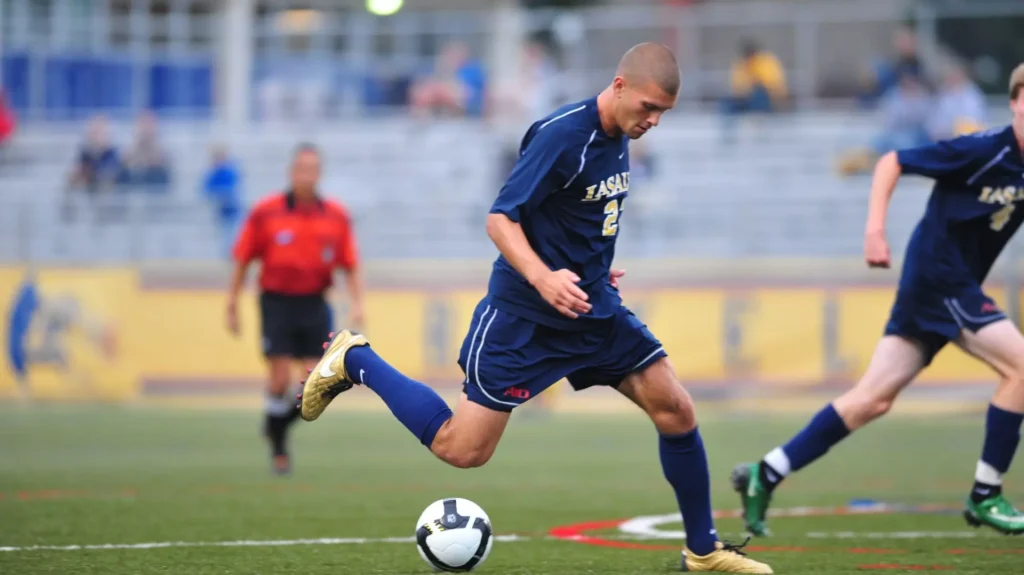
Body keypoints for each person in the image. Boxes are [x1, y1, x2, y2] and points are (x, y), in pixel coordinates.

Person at [297, 43, 772, 574]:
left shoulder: (621, 133)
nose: (654, 121)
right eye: (649, 107)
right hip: (524, 316)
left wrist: (593, 266)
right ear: (619, 87)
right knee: (463, 450)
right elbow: (500, 219)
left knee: (676, 409)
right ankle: (355, 359)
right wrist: (544, 277)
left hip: (591, 308)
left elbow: (578, 214)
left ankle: (703, 552)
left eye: (663, 112)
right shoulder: (562, 135)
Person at [733, 63, 1024, 537]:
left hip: (940, 286)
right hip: (940, 279)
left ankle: (766, 472)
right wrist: (874, 231)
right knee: (1021, 368)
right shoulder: (982, 149)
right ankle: (986, 493)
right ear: (1013, 103)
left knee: (872, 399)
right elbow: (892, 161)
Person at [227, 143, 365, 475]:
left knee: (316, 384)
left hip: (314, 303)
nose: (307, 176)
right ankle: (279, 447)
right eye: (302, 169)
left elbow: (349, 264)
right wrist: (232, 302)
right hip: (277, 303)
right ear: (291, 172)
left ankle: (274, 424)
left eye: (313, 169)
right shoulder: (266, 212)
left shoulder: (336, 215)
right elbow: (244, 258)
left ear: (320, 174)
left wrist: (358, 303)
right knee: (278, 381)